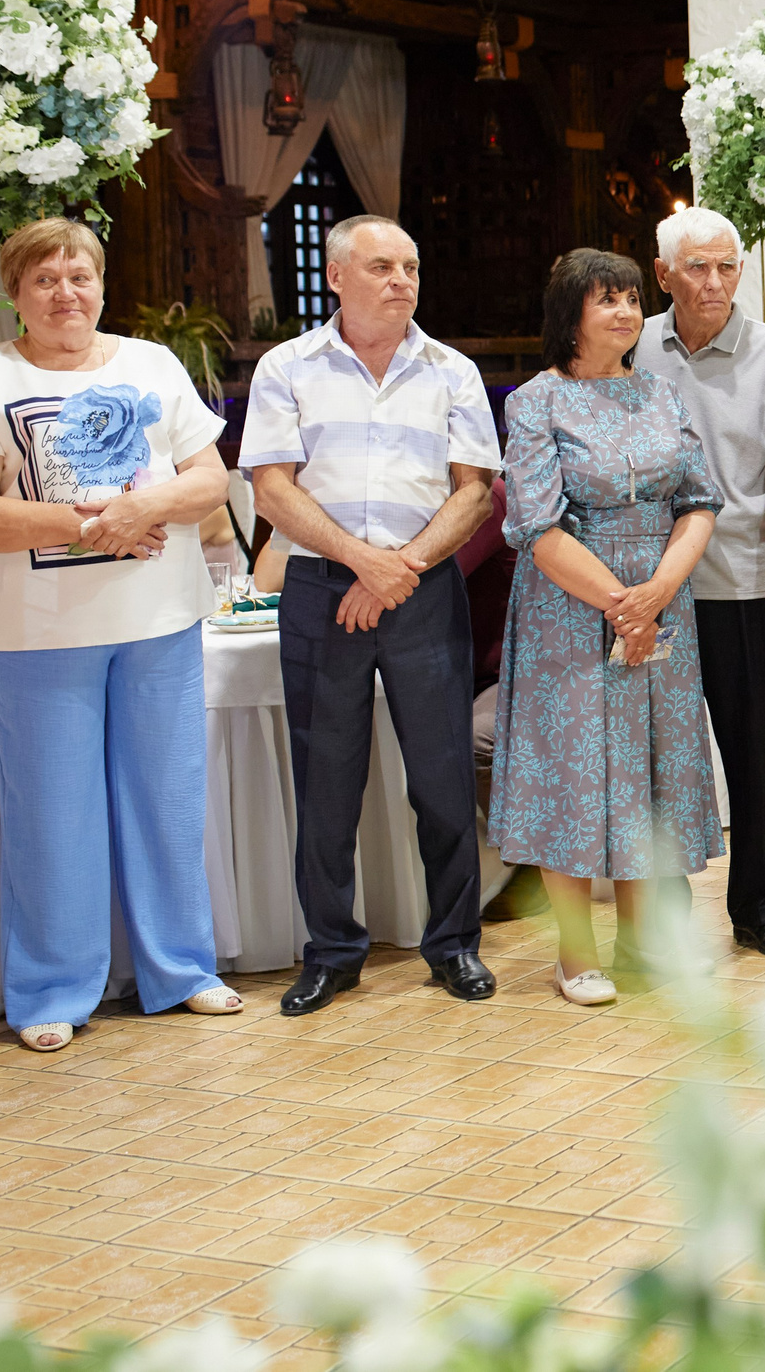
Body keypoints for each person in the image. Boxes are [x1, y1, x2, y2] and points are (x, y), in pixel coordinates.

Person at [0, 217, 244, 1051]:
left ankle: (181, 969)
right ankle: (52, 987)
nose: (65, 293)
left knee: (167, 803)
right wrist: (86, 525)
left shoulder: (152, 363)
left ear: (103, 285)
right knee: (51, 815)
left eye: (79, 276)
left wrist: (142, 506)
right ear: (15, 294)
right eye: (44, 280)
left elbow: (210, 478)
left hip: (159, 619)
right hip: (39, 631)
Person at [244, 215, 501, 1017]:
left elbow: (475, 492)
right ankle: (331, 952)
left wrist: (399, 568)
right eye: (383, 266)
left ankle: (454, 944)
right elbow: (272, 488)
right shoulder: (288, 367)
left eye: (411, 267)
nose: (402, 280)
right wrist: (364, 562)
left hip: (424, 588)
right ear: (336, 277)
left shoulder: (452, 370)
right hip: (322, 590)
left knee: (442, 777)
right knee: (326, 780)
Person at [491, 250, 723, 1004]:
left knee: (649, 772)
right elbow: (537, 525)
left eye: (631, 298)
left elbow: (699, 502)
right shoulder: (536, 402)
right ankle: (574, 953)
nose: (626, 312)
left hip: (661, 600)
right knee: (572, 773)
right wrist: (623, 604)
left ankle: (641, 945)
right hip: (568, 609)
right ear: (571, 315)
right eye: (607, 300)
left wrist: (658, 592)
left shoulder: (660, 392)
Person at [634, 206, 765, 959]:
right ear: (663, 273)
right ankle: (663, 915)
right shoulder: (634, 343)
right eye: (698, 267)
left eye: (727, 266)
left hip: (747, 583)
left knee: (755, 756)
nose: (715, 281)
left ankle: (762, 909)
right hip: (654, 591)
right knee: (661, 762)